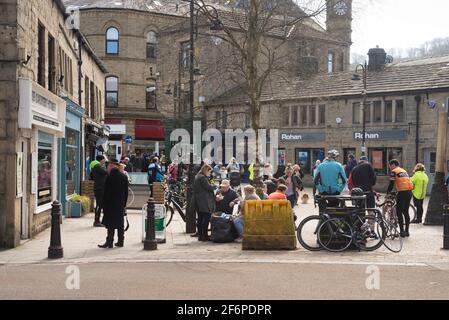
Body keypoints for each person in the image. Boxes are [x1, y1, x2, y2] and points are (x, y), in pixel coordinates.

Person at [98, 158, 129, 248]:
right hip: (120, 204)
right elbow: (126, 193)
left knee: (110, 224)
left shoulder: (109, 177)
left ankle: (109, 242)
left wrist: (103, 204)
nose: (107, 167)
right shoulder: (123, 176)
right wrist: (124, 205)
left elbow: (106, 192)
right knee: (120, 223)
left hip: (110, 204)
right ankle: (120, 241)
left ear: (112, 166)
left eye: (109, 165)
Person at [387, 159, 414, 237]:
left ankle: (402, 231)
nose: (389, 167)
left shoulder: (394, 171)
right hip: (409, 192)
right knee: (405, 211)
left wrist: (388, 193)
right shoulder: (403, 171)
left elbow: (391, 184)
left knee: (399, 212)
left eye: (390, 165)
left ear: (393, 165)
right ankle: (407, 231)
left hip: (402, 192)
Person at [193, 164, 216, 242]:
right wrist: (214, 186)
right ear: (206, 170)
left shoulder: (198, 176)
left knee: (200, 218)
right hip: (204, 201)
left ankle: (200, 235)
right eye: (210, 172)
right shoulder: (203, 178)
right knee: (206, 218)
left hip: (199, 200)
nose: (210, 173)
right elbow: (209, 187)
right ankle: (205, 236)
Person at [91, 155, 108, 227]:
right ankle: (96, 221)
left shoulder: (95, 166)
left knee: (100, 204)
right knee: (99, 204)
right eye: (104, 159)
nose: (104, 161)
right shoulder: (98, 166)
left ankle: (98, 220)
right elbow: (105, 172)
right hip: (99, 188)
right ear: (101, 160)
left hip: (98, 187)